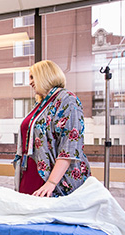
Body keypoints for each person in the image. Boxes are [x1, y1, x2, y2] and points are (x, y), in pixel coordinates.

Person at [14, 60, 91, 198]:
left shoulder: (67, 99)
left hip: (52, 178)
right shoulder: (41, 104)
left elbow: (70, 146)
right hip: (32, 171)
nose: (30, 82)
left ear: (44, 75)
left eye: (32, 77)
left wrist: (51, 182)